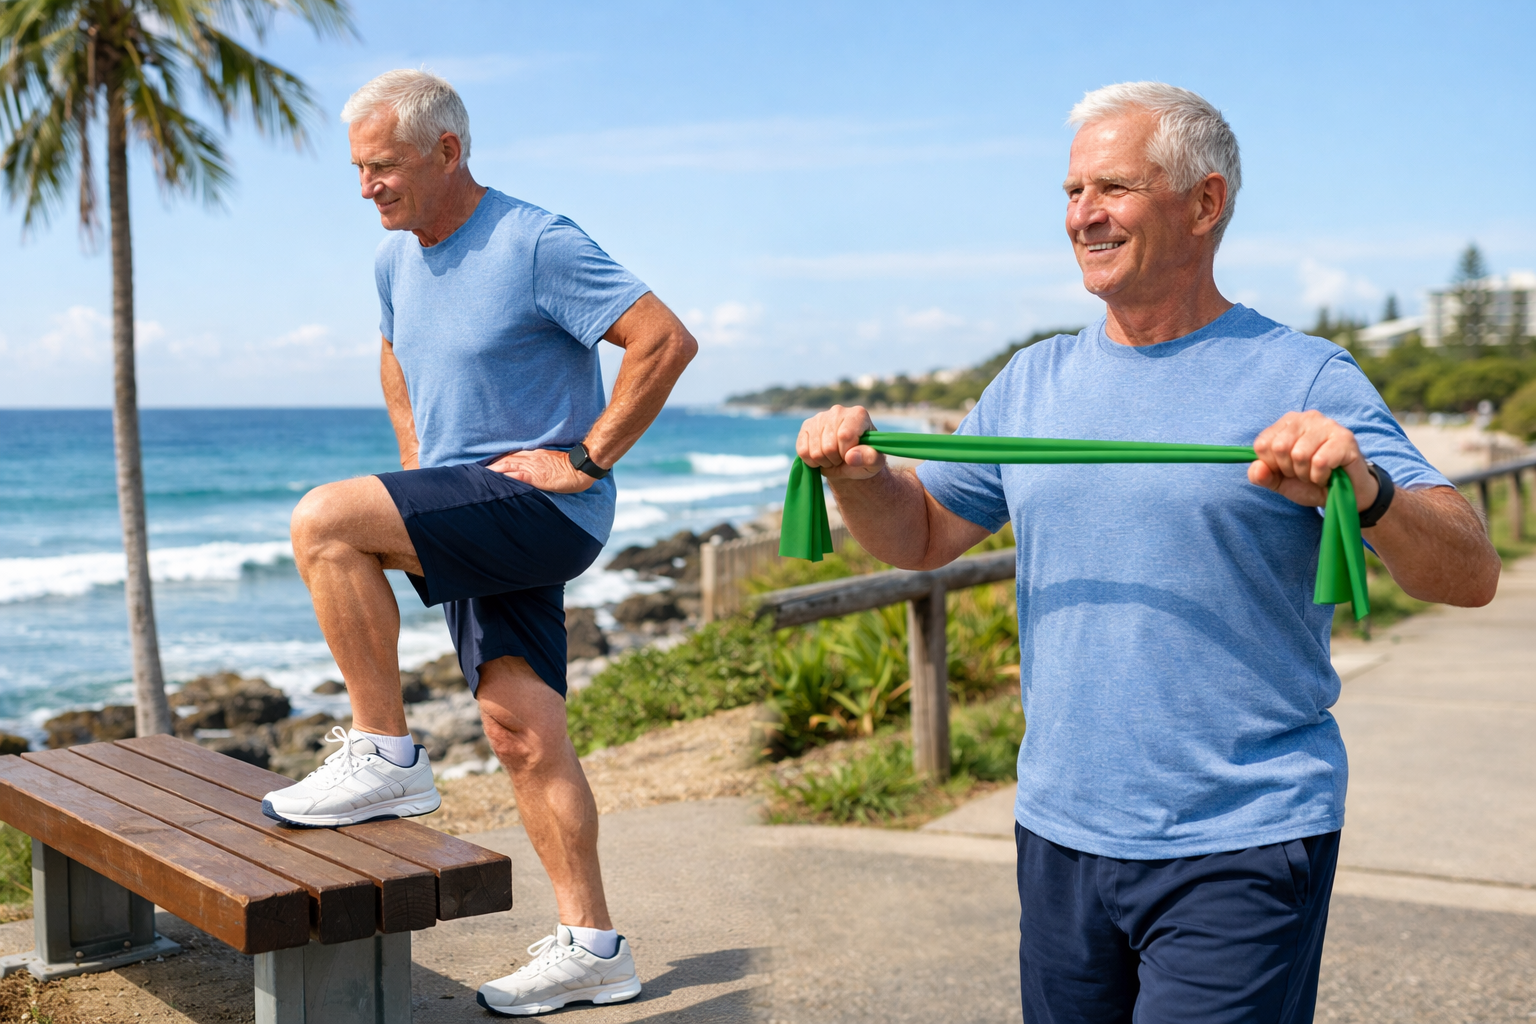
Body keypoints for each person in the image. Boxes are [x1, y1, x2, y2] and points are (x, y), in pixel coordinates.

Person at [796, 82, 1500, 1023]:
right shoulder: (1033, 381)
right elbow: (921, 535)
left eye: (1114, 188)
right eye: (1072, 191)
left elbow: (1470, 569)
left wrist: (1365, 489)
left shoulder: (1306, 375)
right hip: (1060, 832)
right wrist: (855, 476)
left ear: (1204, 203)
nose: (1083, 215)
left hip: (1244, 838)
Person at [260, 69, 697, 1016]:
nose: (368, 186)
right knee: (521, 734)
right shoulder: (393, 262)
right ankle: (595, 947)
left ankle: (385, 755)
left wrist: (584, 457)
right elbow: (394, 358)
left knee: (323, 520)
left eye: (384, 167)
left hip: (539, 509)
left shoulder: (537, 241)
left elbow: (662, 340)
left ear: (447, 151)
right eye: (359, 170)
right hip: (464, 508)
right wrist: (417, 477)